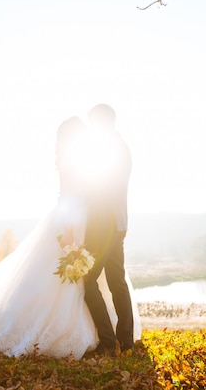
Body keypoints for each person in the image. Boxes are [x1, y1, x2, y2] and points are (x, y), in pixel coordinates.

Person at [0, 116, 140, 359]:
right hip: (76, 222)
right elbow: (67, 198)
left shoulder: (87, 158)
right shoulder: (72, 162)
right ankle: (105, 337)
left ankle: (109, 337)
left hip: (90, 223)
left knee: (87, 279)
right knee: (78, 278)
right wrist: (70, 234)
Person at [82, 104, 135, 355]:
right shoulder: (119, 147)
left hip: (105, 225)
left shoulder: (110, 149)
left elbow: (100, 188)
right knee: (116, 281)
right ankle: (125, 342)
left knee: (88, 279)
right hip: (117, 223)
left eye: (93, 122)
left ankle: (107, 340)